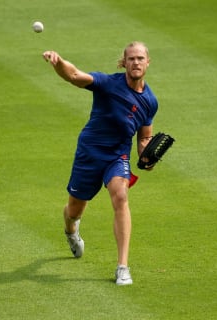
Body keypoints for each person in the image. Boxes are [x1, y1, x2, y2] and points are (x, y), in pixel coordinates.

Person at [43, 41, 158, 285]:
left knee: (120, 196)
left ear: (147, 62)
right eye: (131, 59)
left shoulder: (150, 101)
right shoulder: (108, 84)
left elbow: (145, 136)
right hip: (89, 153)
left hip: (118, 156)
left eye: (140, 58)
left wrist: (147, 156)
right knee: (74, 209)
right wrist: (58, 61)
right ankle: (71, 230)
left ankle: (122, 267)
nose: (136, 62)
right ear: (124, 63)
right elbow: (75, 75)